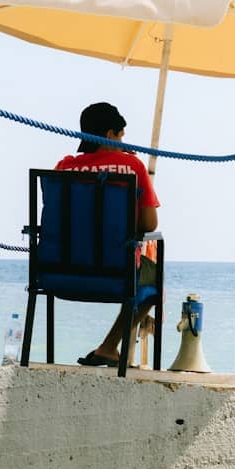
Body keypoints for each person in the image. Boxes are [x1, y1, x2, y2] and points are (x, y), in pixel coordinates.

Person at [56, 102, 160, 367]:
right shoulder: (132, 166)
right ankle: (109, 346)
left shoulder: (63, 167)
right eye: (121, 134)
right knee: (152, 280)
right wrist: (124, 160)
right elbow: (149, 223)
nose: (123, 139)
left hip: (59, 272)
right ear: (112, 134)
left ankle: (108, 348)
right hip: (116, 274)